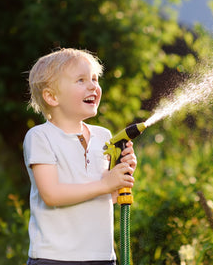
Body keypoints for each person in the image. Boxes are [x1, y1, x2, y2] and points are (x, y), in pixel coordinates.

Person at [23, 48, 137, 265]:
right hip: (55, 257)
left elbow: (109, 198)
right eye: (81, 80)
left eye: (94, 79)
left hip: (101, 257)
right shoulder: (40, 137)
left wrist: (122, 175)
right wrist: (105, 184)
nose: (93, 86)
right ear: (52, 96)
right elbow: (52, 195)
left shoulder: (104, 137)